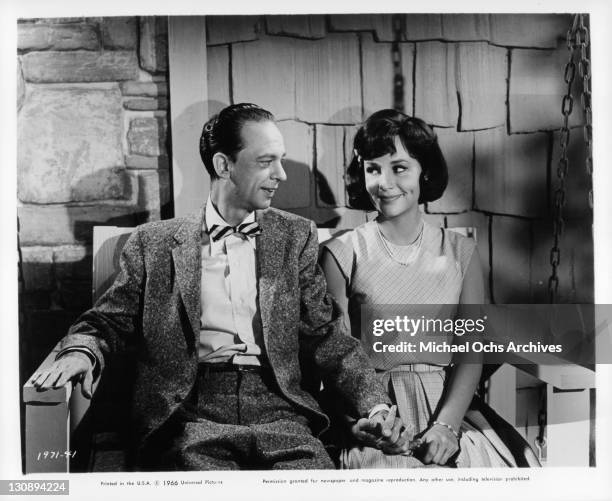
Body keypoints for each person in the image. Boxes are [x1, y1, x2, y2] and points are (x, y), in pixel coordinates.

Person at [31, 103, 408, 471]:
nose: (281, 174)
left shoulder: (294, 236)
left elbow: (326, 335)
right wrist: (81, 352)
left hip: (281, 408)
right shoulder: (155, 244)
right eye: (266, 162)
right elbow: (108, 321)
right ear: (223, 165)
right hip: (189, 411)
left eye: (281, 159)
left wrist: (374, 405)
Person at [320, 109, 540, 468]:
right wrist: (361, 422)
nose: (385, 182)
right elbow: (335, 358)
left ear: (425, 170)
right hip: (374, 411)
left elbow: (471, 348)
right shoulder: (341, 253)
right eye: (373, 169)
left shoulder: (460, 252)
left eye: (400, 167)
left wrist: (446, 427)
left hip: (448, 406)